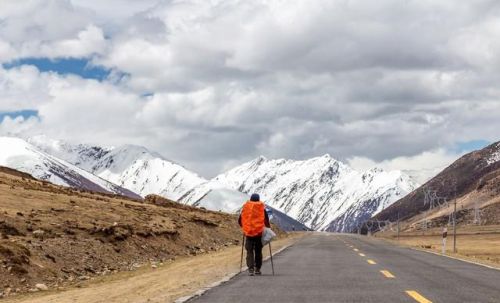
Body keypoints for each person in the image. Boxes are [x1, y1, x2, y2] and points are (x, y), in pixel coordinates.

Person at [238, 193, 270, 276]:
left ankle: (251, 269)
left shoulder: (246, 208)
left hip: (249, 233)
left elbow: (240, 220)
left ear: (251, 199)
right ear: (258, 199)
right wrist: (267, 228)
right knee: (258, 251)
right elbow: (266, 220)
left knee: (249, 251)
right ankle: (257, 269)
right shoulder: (261, 208)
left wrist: (245, 227)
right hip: (259, 233)